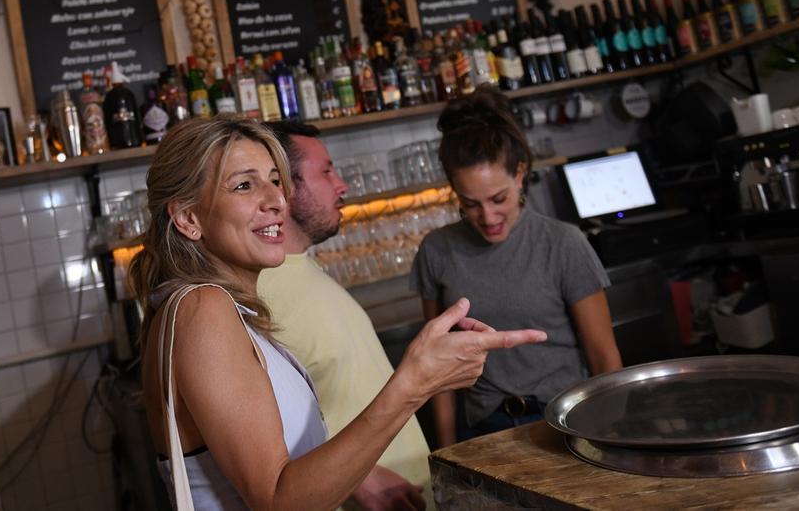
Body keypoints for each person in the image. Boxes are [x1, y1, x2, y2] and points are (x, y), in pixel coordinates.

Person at [129, 116, 547, 509]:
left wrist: (360, 474)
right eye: (244, 186)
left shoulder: (215, 308)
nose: (277, 200)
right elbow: (279, 500)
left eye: (277, 181)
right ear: (187, 218)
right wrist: (413, 385)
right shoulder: (203, 307)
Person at [411, 88, 623, 446]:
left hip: (565, 422)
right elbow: (437, 367)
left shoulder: (563, 243)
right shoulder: (437, 249)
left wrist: (613, 438)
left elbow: (604, 356)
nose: (488, 217)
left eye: (499, 199)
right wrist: (446, 453)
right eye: (470, 204)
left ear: (520, 174)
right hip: (482, 430)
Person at [258, 122, 431, 511]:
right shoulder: (258, 294)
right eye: (326, 171)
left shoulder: (303, 268)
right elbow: (257, 434)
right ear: (282, 186)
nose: (342, 185)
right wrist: (361, 480)